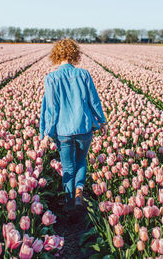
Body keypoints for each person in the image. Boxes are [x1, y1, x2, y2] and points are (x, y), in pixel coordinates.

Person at [39, 39, 107, 216]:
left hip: (63, 131)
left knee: (68, 167)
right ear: (74, 54)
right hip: (84, 127)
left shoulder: (51, 78)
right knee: (81, 161)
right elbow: (94, 101)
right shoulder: (83, 75)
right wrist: (102, 121)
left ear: (56, 55)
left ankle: (69, 204)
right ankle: (79, 192)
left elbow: (52, 109)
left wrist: (47, 133)